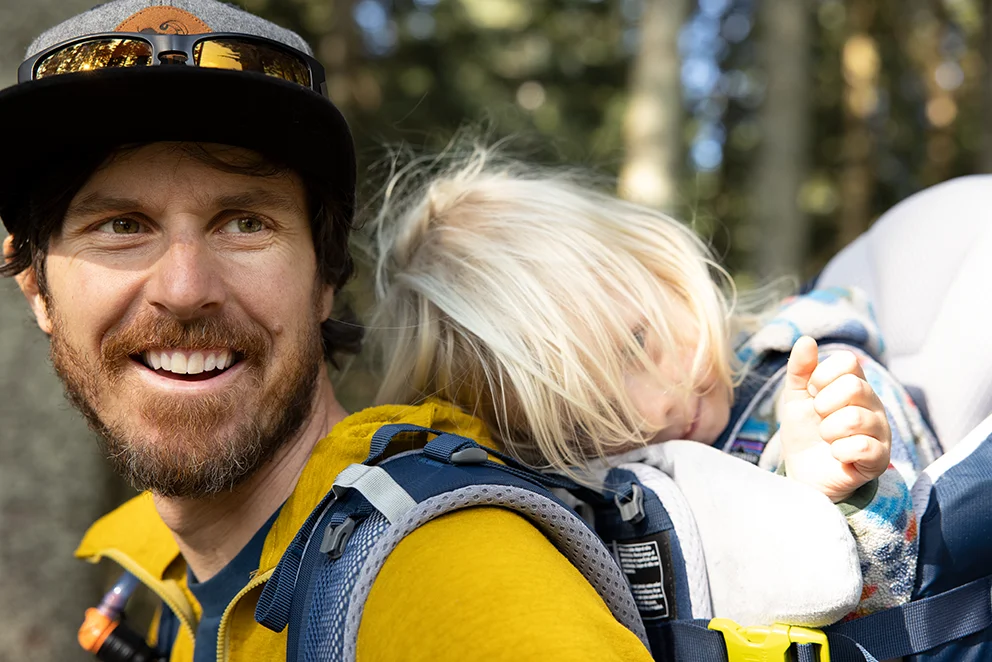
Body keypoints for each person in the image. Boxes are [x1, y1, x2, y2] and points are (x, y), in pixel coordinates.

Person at [0, 3, 654, 661]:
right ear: (37, 289)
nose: (185, 288)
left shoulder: (456, 575)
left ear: (325, 278)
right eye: (120, 226)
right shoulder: (166, 583)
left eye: (245, 223)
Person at [366, 146, 943, 619]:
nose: (655, 408)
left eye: (637, 342)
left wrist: (833, 495)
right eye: (586, 422)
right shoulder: (587, 497)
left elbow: (906, 593)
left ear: (659, 266)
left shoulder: (822, 387)